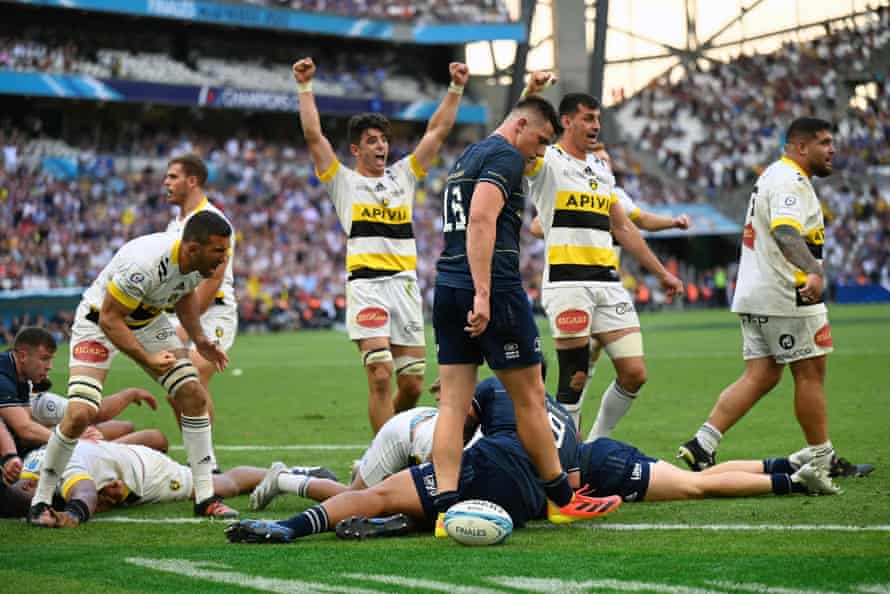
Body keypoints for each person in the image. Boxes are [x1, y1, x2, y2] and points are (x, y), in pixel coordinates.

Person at [431, 93, 612, 525]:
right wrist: (483, 293)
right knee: (529, 396)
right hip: (493, 288)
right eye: (542, 140)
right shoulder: (506, 156)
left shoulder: (468, 156)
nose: (542, 151)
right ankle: (563, 500)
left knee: (453, 404)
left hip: (446, 284)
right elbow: (481, 219)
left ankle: (444, 510)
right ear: (520, 128)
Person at [225, 374, 620, 544]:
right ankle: (397, 522)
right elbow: (565, 492)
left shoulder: (496, 385)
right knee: (420, 500)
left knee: (370, 495)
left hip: (432, 441)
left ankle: (290, 525)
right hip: (522, 500)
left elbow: (454, 434)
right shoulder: (568, 421)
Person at [292, 57, 469, 434]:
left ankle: (390, 437)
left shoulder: (403, 176)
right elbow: (313, 136)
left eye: (384, 139)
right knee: (379, 371)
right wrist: (305, 87)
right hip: (367, 285)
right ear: (356, 150)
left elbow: (436, 132)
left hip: (404, 286)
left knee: (412, 384)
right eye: (372, 141)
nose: (381, 146)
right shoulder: (341, 181)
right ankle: (382, 458)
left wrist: (454, 88)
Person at [28, 211, 238, 525]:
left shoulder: (196, 263)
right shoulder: (144, 263)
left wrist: (200, 339)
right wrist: (147, 359)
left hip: (147, 320)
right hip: (98, 322)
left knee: (193, 395)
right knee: (80, 414)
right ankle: (40, 501)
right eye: (219, 252)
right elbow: (111, 319)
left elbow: (184, 294)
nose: (224, 260)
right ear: (194, 248)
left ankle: (205, 497)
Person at [677, 117, 846, 492]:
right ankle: (822, 459)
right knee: (810, 373)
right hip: (787, 294)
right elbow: (785, 231)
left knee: (762, 374)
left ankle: (702, 444)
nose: (832, 149)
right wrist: (814, 271)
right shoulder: (789, 180)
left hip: (755, 293)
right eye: (824, 142)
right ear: (801, 148)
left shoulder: (773, 175)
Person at [522, 74, 683, 440]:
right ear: (566, 121)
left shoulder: (600, 171)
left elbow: (625, 228)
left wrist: (661, 274)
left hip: (608, 284)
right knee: (574, 378)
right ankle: (567, 463)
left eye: (597, 119)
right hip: (568, 284)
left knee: (634, 372)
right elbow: (517, 136)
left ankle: (593, 444)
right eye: (588, 118)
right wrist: (528, 94)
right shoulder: (546, 162)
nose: (595, 126)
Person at [15, 435, 337, 527]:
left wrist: (74, 515)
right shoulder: (36, 460)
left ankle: (297, 475)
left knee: (215, 485)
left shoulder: (55, 470)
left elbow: (83, 492)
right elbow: (90, 492)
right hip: (130, 460)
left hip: (149, 473)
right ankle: (299, 474)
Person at [164, 153, 238, 470]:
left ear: (191, 181)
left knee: (190, 378)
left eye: (172, 177)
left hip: (213, 313)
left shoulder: (213, 221)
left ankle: (207, 466)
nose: (166, 183)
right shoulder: (174, 225)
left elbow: (214, 278)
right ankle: (203, 461)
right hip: (180, 312)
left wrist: (186, 327)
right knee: (177, 391)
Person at [0, 327, 156, 460]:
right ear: (22, 356)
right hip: (17, 457)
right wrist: (71, 439)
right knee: (152, 438)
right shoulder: (5, 379)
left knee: (127, 430)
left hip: (22, 450)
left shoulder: (21, 378)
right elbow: (25, 430)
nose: (50, 367)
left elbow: (27, 429)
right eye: (44, 359)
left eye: (50, 359)